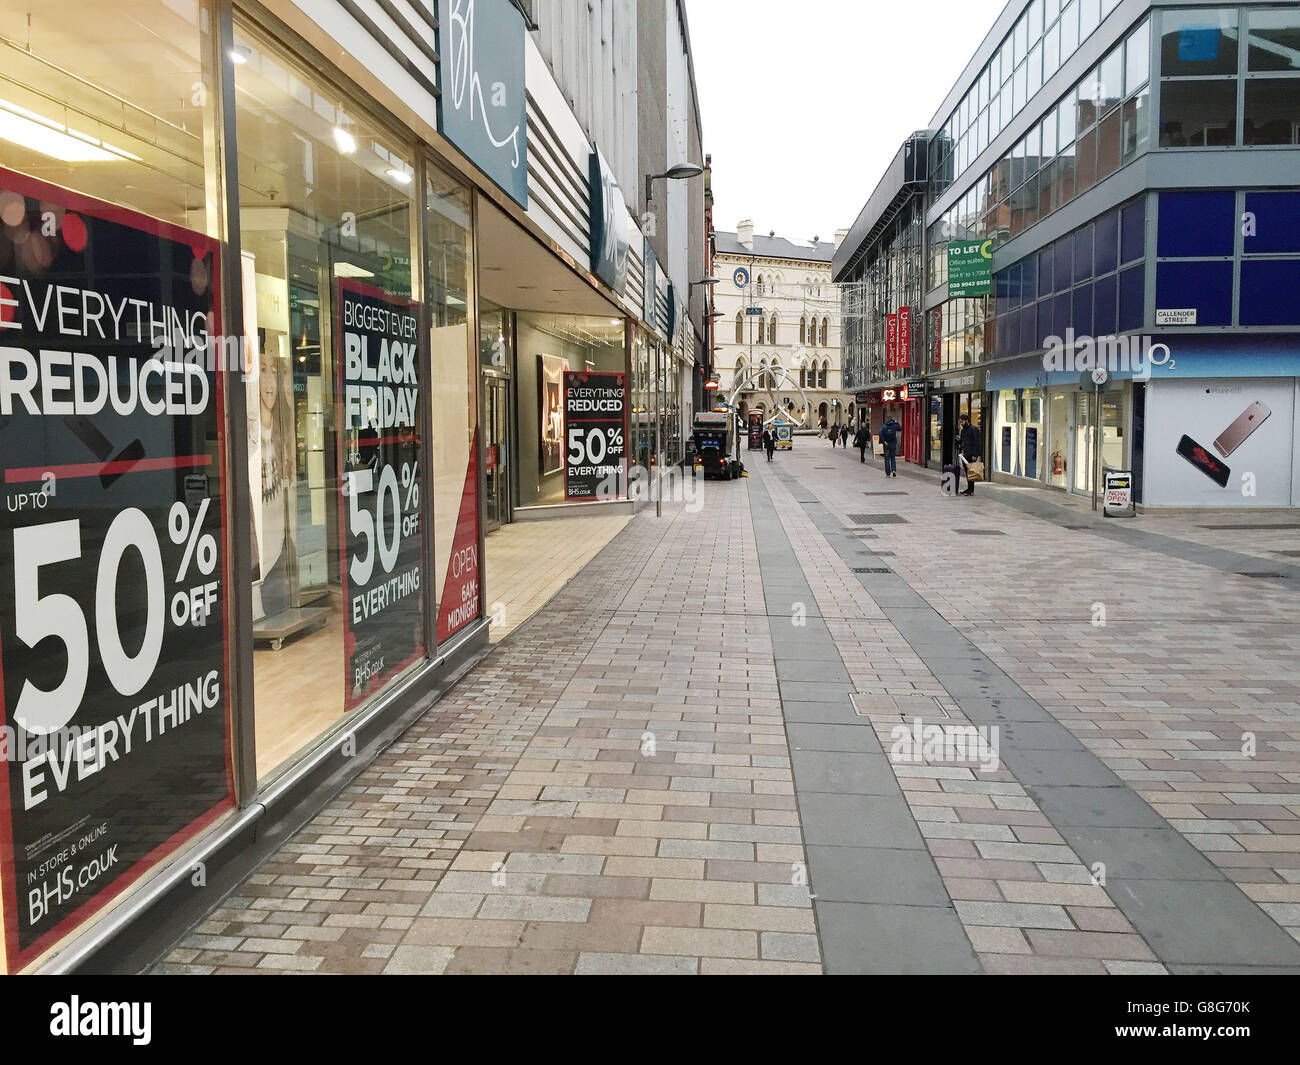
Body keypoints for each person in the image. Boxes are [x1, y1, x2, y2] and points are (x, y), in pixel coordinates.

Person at [958, 414, 982, 495]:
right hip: (964, 454)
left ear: (967, 420)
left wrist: (975, 455)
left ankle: (971, 490)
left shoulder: (973, 429)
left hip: (971, 454)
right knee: (967, 472)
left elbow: (977, 442)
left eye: (962, 421)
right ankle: (969, 488)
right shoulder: (963, 430)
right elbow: (962, 441)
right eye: (960, 422)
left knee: (971, 472)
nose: (961, 423)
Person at [879, 411, 903, 478]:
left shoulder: (884, 426)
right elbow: (900, 428)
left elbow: (880, 433)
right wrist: (896, 422)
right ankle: (894, 470)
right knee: (893, 458)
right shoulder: (894, 425)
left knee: (887, 459)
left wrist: (884, 441)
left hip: (886, 444)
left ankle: (888, 473)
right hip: (893, 443)